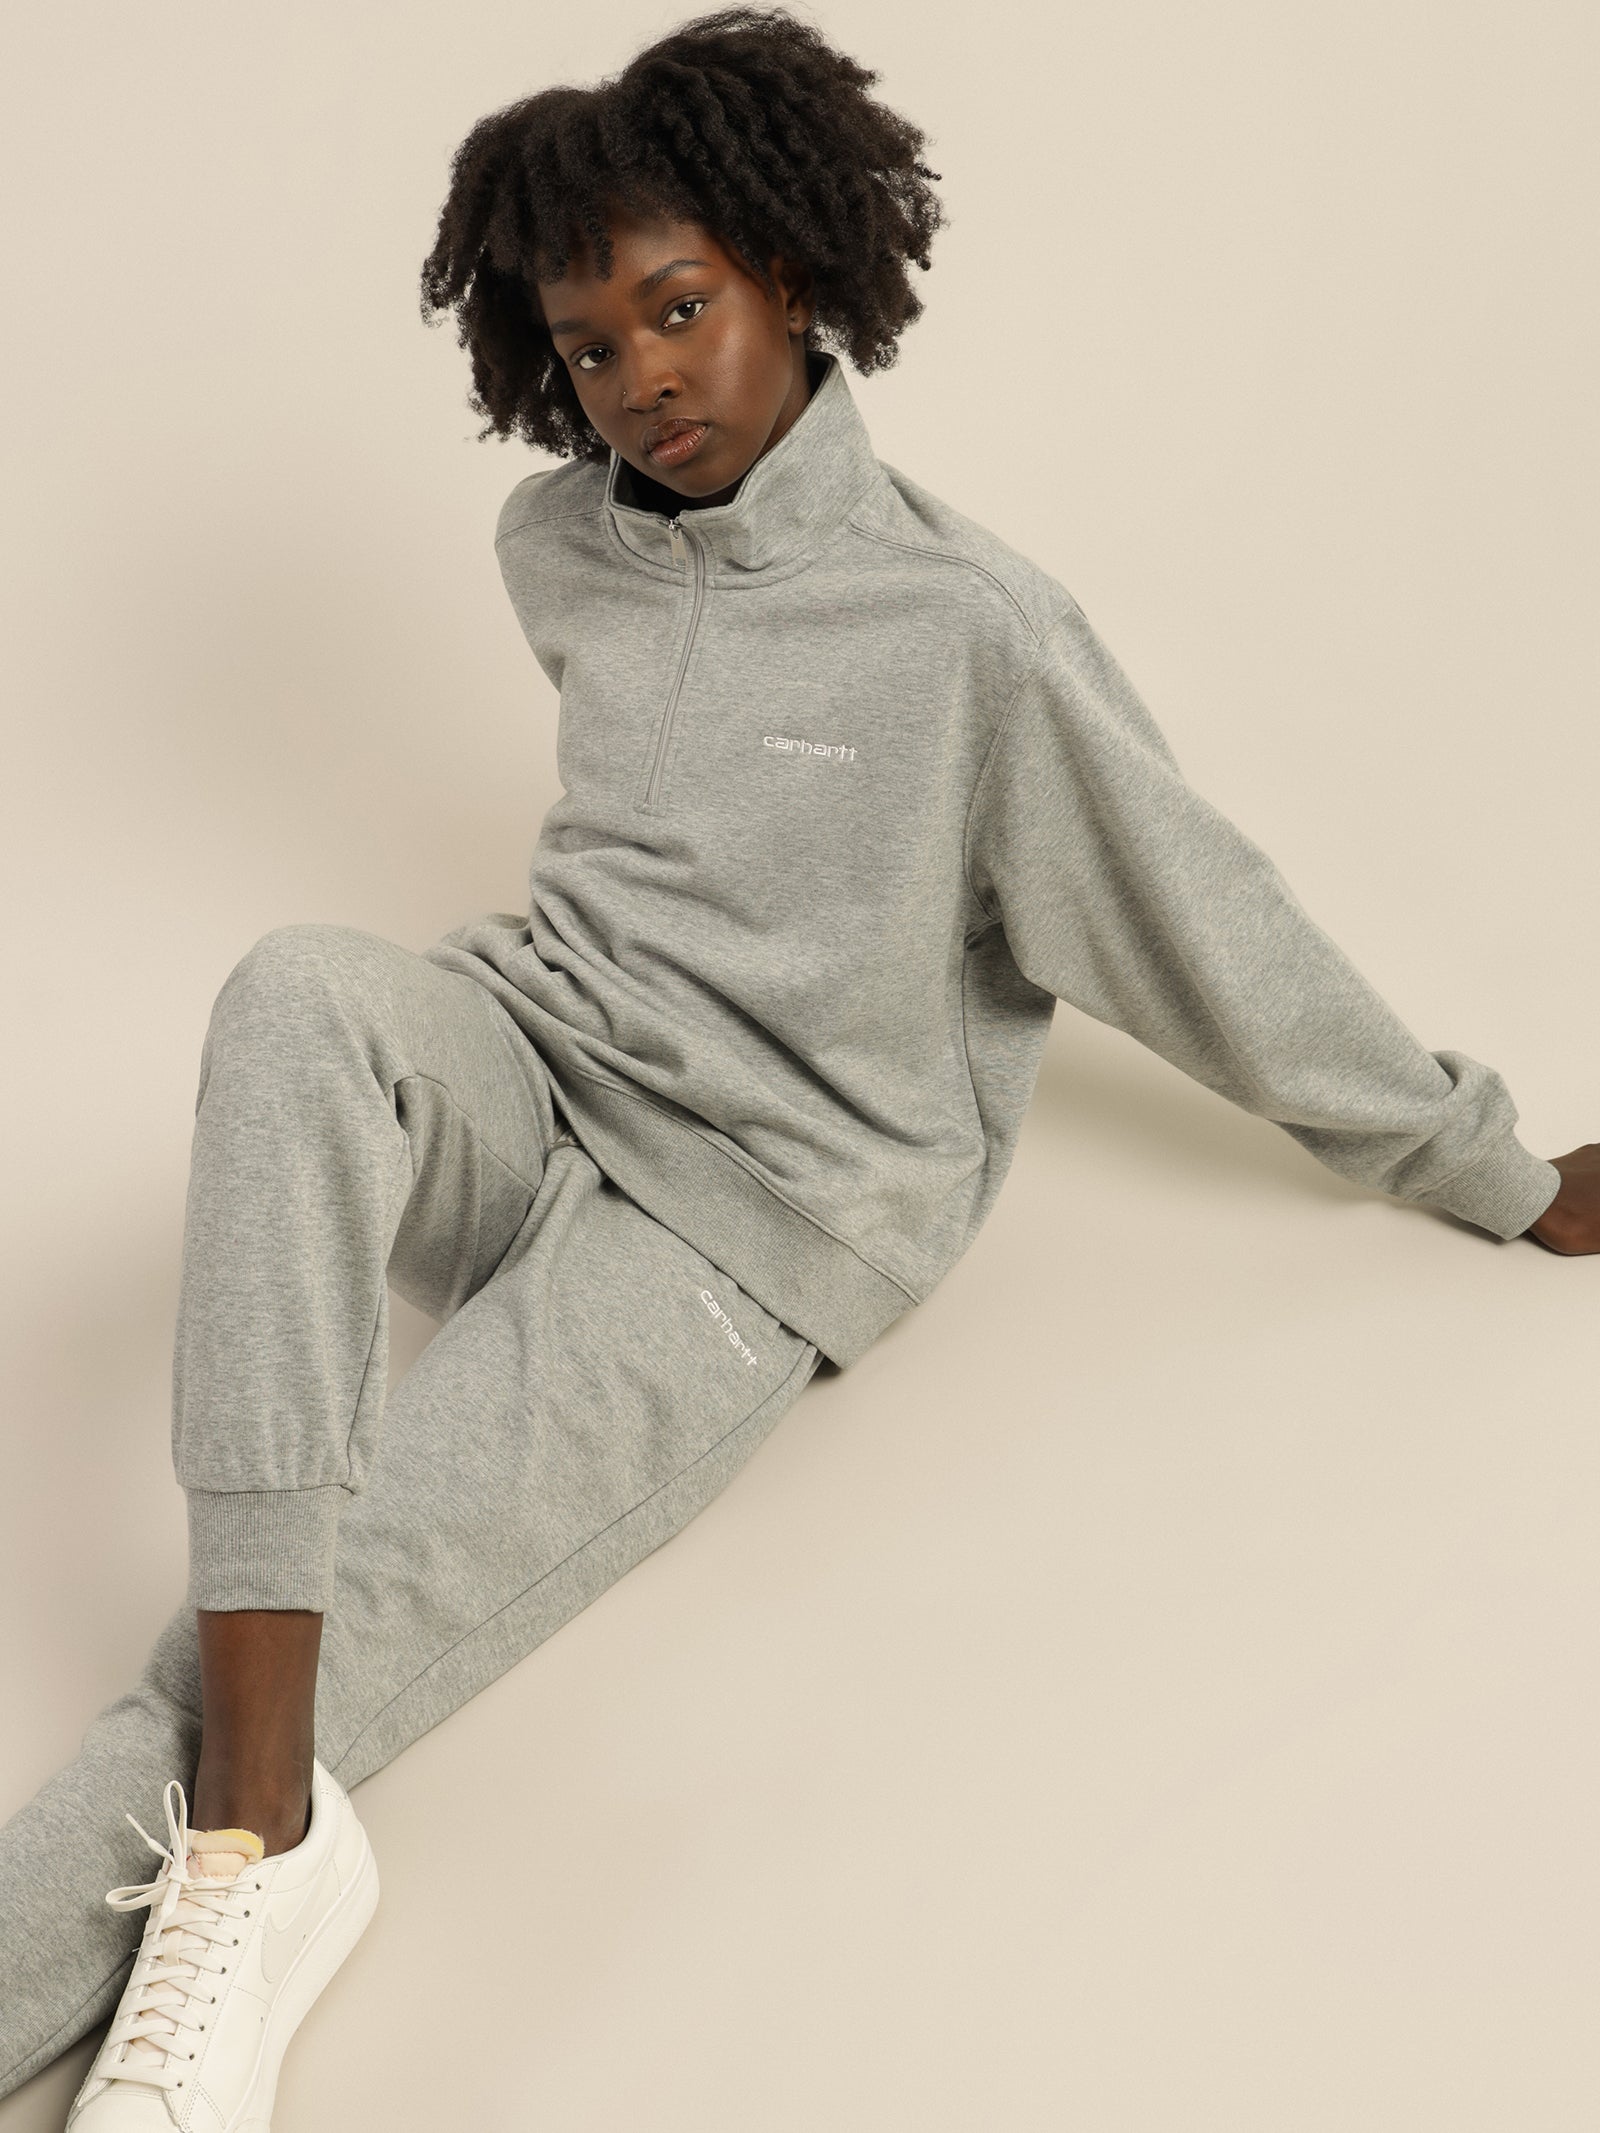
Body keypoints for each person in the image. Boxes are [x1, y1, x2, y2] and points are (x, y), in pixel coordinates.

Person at [4, 4, 1595, 2122]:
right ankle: (262, 1825)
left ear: (789, 272)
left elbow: (1205, 926)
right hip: (530, 1059)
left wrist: (1487, 1164)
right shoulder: (556, 545)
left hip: (736, 1222)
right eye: (589, 345)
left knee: (255, 1658)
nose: (640, 379)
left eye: (679, 310)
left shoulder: (965, 631)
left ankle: (246, 1838)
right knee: (296, 988)